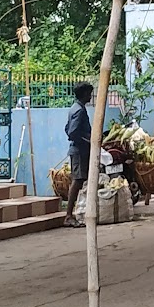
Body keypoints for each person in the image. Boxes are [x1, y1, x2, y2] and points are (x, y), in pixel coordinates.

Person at [64, 82, 94, 226]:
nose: (90, 96)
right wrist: (88, 139)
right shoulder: (79, 111)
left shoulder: (75, 108)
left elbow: (67, 128)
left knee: (79, 180)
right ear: (84, 94)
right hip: (79, 151)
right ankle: (69, 215)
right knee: (77, 181)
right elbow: (72, 132)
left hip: (79, 149)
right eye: (89, 93)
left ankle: (74, 213)